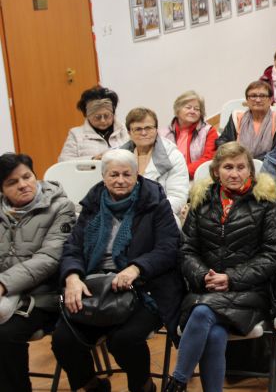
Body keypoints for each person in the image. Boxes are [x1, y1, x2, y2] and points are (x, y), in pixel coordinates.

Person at [52, 150, 183, 392]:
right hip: (95, 285)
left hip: (146, 287)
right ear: (103, 177)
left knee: (124, 339)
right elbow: (72, 247)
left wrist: (137, 267)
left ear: (137, 175)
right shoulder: (93, 204)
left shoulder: (155, 203)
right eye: (113, 174)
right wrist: (72, 277)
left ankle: (143, 387)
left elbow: (168, 248)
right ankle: (93, 386)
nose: (120, 180)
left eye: (126, 174)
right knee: (63, 340)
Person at [163, 142, 276, 392]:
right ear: (216, 171)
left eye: (241, 167)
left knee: (202, 313)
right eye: (228, 167)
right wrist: (203, 276)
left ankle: (177, 382)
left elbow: (273, 256)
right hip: (206, 287)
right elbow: (187, 250)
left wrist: (230, 278)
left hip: (251, 290)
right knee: (215, 333)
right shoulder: (201, 200)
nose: (235, 173)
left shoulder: (267, 202)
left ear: (250, 171)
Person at [0, 153, 75, 392]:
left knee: (5, 334)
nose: (23, 185)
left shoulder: (60, 207)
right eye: (12, 182)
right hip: (6, 294)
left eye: (27, 176)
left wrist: (3, 284)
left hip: (45, 296)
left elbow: (49, 259)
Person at [121, 108, 189, 224]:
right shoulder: (118, 157)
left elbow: (177, 197)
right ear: (129, 133)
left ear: (156, 130)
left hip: (160, 216)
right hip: (124, 214)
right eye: (138, 129)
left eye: (148, 128)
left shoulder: (173, 156)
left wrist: (149, 215)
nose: (144, 133)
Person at [59, 85, 129, 161]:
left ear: (113, 113)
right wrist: (92, 159)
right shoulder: (76, 134)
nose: (103, 120)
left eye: (107, 116)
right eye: (97, 117)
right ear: (87, 116)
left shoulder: (124, 129)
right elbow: (63, 161)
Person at [160, 90, 218, 180]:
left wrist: (182, 172)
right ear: (178, 110)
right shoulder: (163, 133)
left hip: (198, 179)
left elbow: (209, 159)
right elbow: (159, 159)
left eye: (196, 109)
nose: (192, 111)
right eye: (188, 107)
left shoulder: (209, 131)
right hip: (168, 178)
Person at [217, 80, 276, 161]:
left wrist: (251, 162)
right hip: (236, 162)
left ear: (270, 100)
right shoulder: (237, 117)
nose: (258, 100)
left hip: (267, 164)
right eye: (253, 96)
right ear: (247, 100)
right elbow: (223, 140)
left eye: (263, 96)